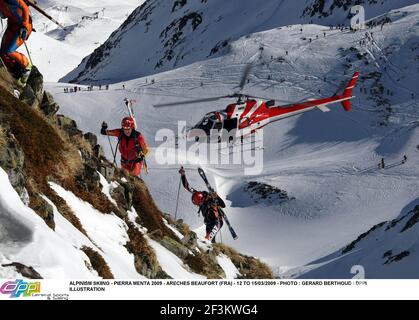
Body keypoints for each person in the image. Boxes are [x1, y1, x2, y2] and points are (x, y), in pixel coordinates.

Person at [179, 167, 225, 243]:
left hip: (217, 221)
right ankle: (216, 251)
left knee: (207, 239)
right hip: (208, 222)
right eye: (197, 204)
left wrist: (216, 197)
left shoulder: (210, 198)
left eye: (198, 203)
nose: (198, 205)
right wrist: (183, 175)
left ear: (201, 199)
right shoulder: (197, 194)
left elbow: (223, 205)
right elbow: (187, 186)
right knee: (211, 241)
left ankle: (210, 251)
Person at [0, 0, 34, 86]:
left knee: (8, 50)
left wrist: (25, 26)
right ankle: (13, 72)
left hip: (23, 27)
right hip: (12, 26)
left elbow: (24, 8)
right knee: (2, 52)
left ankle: (26, 65)